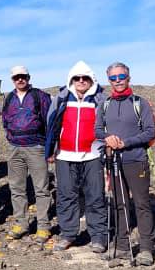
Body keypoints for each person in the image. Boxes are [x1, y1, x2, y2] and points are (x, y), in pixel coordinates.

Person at [95, 62, 155, 266]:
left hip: (136, 160)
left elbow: (150, 132)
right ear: (109, 80)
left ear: (128, 77)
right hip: (114, 161)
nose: (118, 81)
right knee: (119, 203)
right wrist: (108, 138)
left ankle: (146, 249)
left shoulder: (140, 103)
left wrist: (125, 143)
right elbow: (97, 130)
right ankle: (122, 246)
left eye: (121, 76)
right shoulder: (105, 104)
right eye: (113, 78)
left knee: (141, 204)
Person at [45, 61, 108, 252]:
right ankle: (68, 235)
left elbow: (108, 126)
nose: (81, 81)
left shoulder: (100, 99)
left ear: (91, 80)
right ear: (71, 79)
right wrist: (50, 151)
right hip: (65, 155)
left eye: (85, 78)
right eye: (77, 78)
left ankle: (98, 237)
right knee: (66, 196)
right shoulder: (62, 98)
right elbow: (52, 124)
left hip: (93, 155)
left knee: (95, 196)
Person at [0, 65, 53, 242]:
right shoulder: (9, 98)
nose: (20, 79)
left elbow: (49, 122)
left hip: (36, 147)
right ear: (12, 80)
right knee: (16, 188)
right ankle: (21, 223)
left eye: (23, 76)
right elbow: (5, 120)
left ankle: (43, 226)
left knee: (41, 188)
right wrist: (10, 137)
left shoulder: (40, 96)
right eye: (16, 77)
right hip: (14, 148)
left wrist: (49, 148)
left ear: (28, 77)